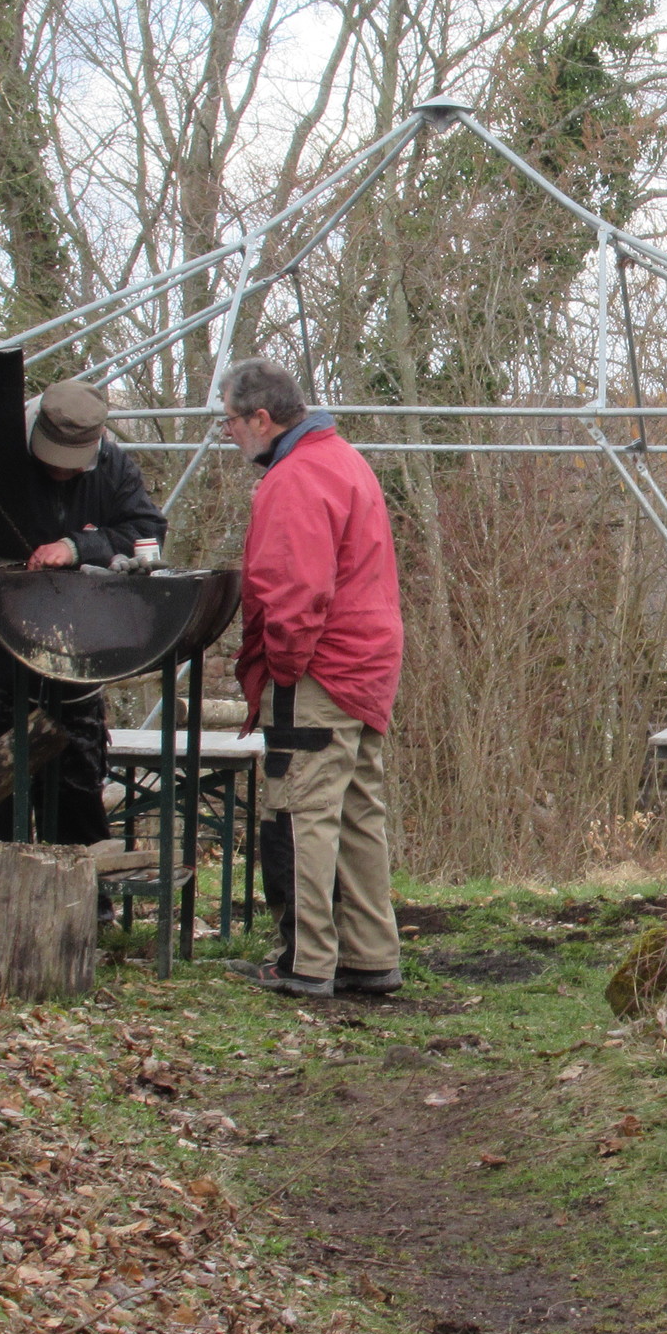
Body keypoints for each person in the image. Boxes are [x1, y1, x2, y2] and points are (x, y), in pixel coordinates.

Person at [222, 358, 403, 1000]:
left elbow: (293, 590)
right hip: (366, 667)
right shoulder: (343, 458)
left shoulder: (294, 477)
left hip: (319, 669)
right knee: (356, 812)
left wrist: (283, 668)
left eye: (229, 421)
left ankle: (306, 960)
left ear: (260, 418)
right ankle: (369, 955)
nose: (227, 434)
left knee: (302, 811)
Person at [0, 379, 165, 843]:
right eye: (53, 461)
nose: (62, 473)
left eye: (73, 465)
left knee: (78, 788)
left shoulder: (112, 465)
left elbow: (147, 532)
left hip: (78, 652)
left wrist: (79, 546)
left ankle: (86, 886)